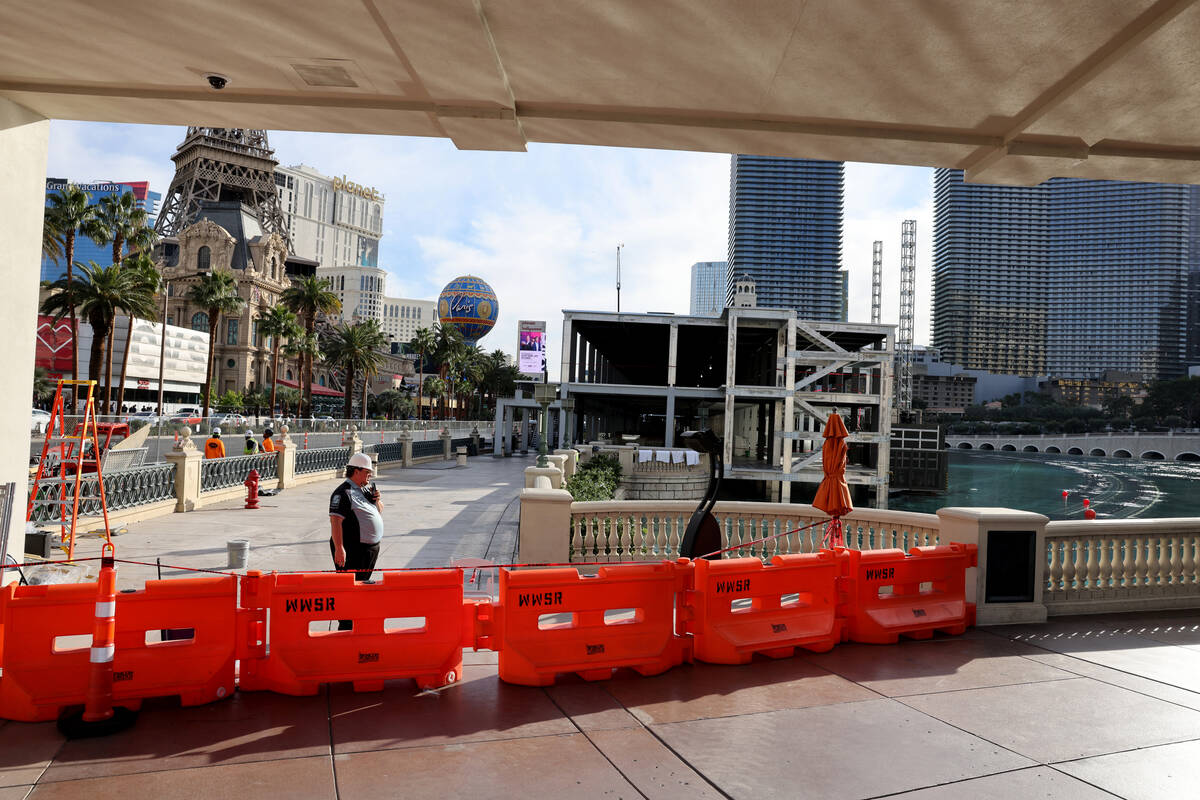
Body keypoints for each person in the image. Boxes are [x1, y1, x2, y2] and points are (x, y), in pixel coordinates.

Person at [328, 451, 383, 630]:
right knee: (349, 588)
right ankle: (345, 625)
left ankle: (354, 623)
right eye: (367, 472)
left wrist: (377, 500)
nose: (370, 475)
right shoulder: (343, 493)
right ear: (356, 471)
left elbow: (379, 511)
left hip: (368, 549)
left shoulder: (365, 490)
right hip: (352, 548)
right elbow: (336, 521)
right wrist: (339, 548)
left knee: (361, 586)